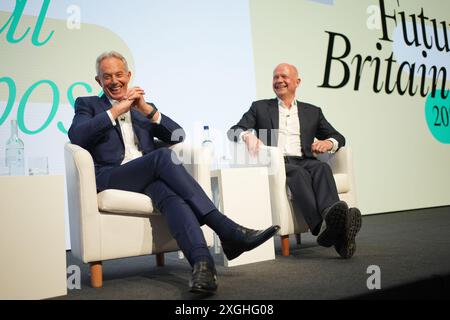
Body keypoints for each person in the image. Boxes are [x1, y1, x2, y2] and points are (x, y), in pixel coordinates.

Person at [68, 51, 279, 294]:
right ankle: (225, 229)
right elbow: (77, 135)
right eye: (107, 77)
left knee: (171, 195)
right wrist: (116, 111)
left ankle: (203, 266)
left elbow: (177, 135)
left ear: (129, 76)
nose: (114, 81)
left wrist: (146, 108)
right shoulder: (88, 104)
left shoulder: (142, 108)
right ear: (98, 81)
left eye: (119, 75)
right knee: (163, 156)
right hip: (111, 177)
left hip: (147, 177)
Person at [228, 63, 362, 259]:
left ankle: (330, 220)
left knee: (322, 167)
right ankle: (323, 227)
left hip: (305, 159)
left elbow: (338, 136)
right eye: (275, 77)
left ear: (297, 82)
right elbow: (234, 130)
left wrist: (328, 142)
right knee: (298, 173)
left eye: (284, 76)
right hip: (277, 162)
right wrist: (247, 135)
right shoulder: (260, 107)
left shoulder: (313, 111)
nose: (279, 81)